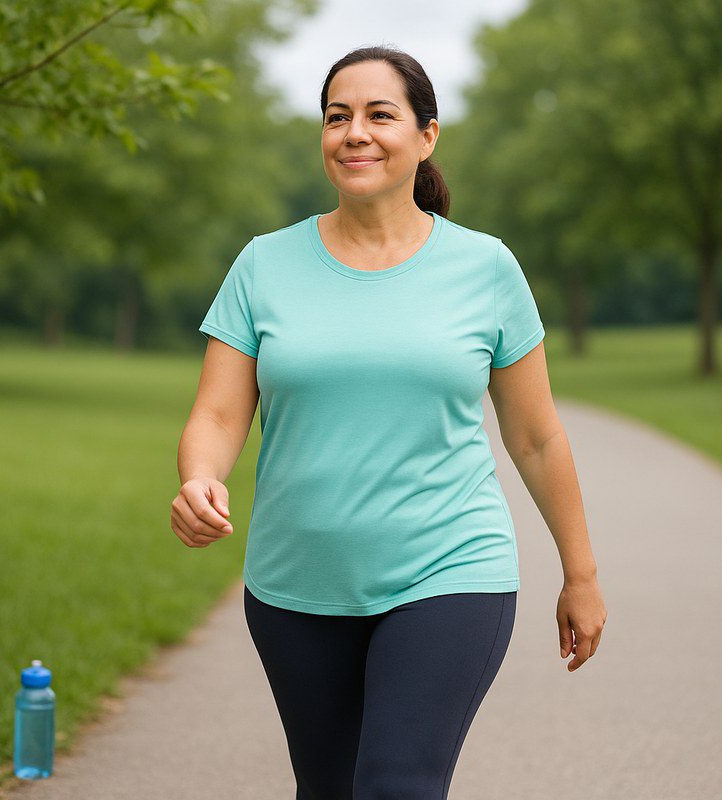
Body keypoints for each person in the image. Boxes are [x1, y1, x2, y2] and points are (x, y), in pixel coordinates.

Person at [173, 45, 607, 800]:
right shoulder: (263, 265)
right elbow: (216, 411)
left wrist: (581, 574)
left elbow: (536, 437)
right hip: (296, 586)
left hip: (449, 569)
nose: (355, 133)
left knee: (397, 784)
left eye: (380, 114)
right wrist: (199, 477)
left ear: (427, 135)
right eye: (337, 117)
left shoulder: (486, 268)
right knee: (330, 790)